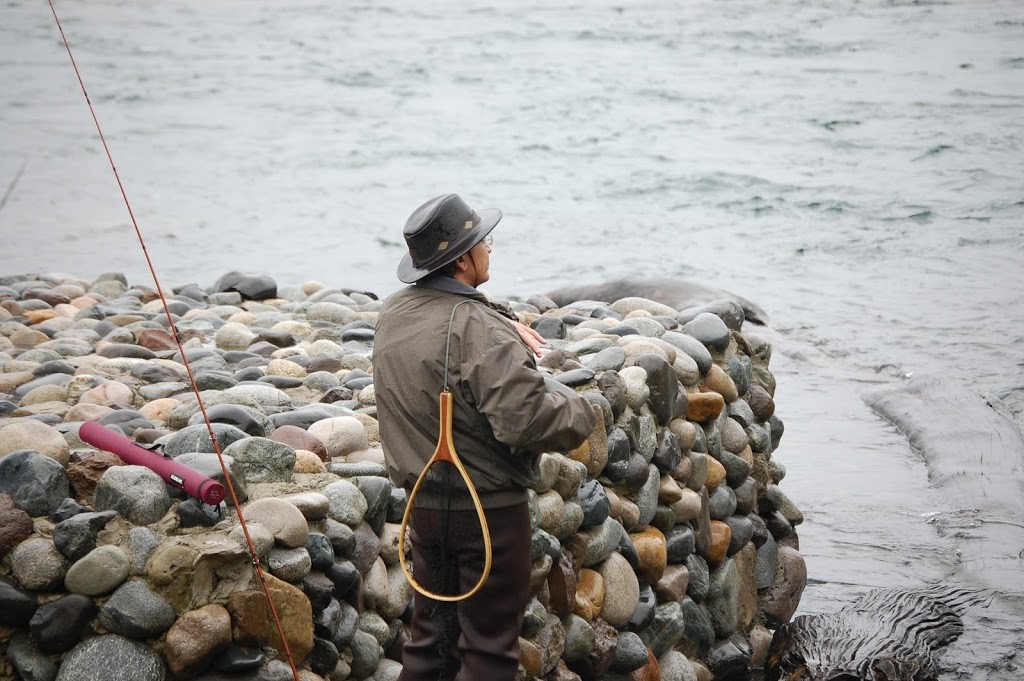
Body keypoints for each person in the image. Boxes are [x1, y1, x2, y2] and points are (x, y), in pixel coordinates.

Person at [372, 193, 597, 681]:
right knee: (490, 651)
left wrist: (499, 321)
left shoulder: (394, 314)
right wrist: (584, 412)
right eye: (483, 242)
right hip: (488, 511)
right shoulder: (479, 329)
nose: (489, 249)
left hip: (424, 508)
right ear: (461, 259)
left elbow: (448, 335)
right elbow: (526, 421)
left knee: (429, 643)